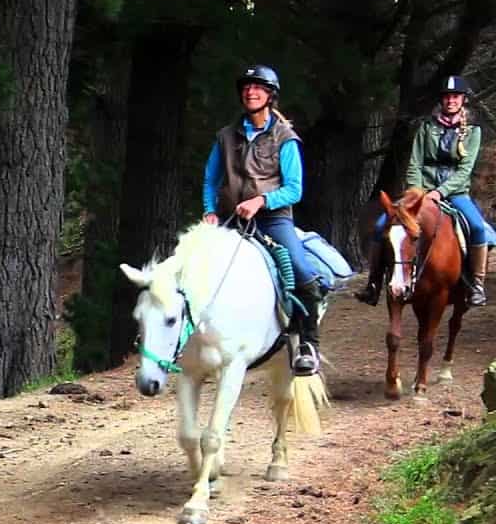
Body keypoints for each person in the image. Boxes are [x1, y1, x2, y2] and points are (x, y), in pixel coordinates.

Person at [202, 65, 323, 376]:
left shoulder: (285, 137)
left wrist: (261, 200)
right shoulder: (226, 136)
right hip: (230, 217)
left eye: (258, 87)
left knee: (299, 268)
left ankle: (308, 343)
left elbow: (294, 189)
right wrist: (209, 210)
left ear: (270, 95)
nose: (250, 92)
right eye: (246, 87)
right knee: (194, 264)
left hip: (272, 220)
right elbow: (210, 179)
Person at [356, 75, 492, 307]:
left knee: (478, 228)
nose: (451, 101)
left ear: (462, 100)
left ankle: (476, 285)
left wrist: (439, 193)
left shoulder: (473, 132)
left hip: (456, 192)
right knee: (382, 225)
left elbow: (464, 170)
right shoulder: (427, 127)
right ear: (442, 100)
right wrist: (416, 193)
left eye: (455, 97)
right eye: (447, 97)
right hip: (421, 192)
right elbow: (415, 163)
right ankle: (374, 284)